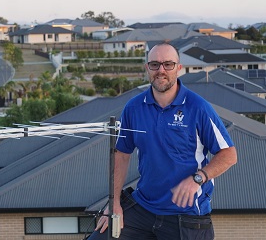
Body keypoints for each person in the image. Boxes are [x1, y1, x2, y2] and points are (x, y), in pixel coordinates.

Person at [87, 43, 237, 240]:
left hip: (186, 215)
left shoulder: (198, 108)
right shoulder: (134, 108)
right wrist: (114, 203)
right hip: (144, 208)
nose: (161, 71)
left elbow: (229, 154)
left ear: (179, 68)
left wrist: (198, 179)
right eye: (155, 64)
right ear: (147, 68)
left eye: (168, 64)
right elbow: (122, 155)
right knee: (101, 237)